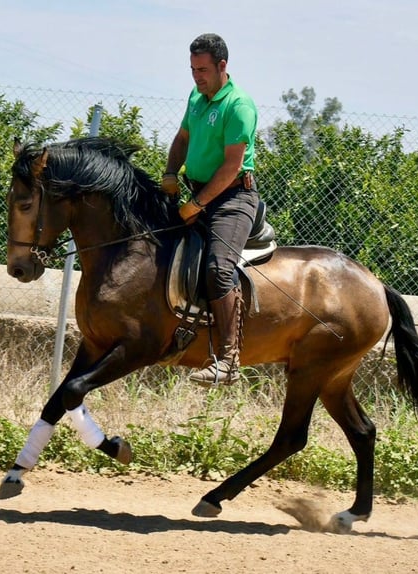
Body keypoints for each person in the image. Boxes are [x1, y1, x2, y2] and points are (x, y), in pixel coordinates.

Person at [161, 33, 260, 386]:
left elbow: (232, 166)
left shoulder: (239, 106)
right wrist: (171, 172)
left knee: (219, 268)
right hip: (197, 193)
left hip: (233, 199)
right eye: (192, 70)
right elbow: (184, 138)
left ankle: (229, 360)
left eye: (202, 70)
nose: (196, 77)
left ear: (222, 66)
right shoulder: (196, 97)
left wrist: (197, 205)